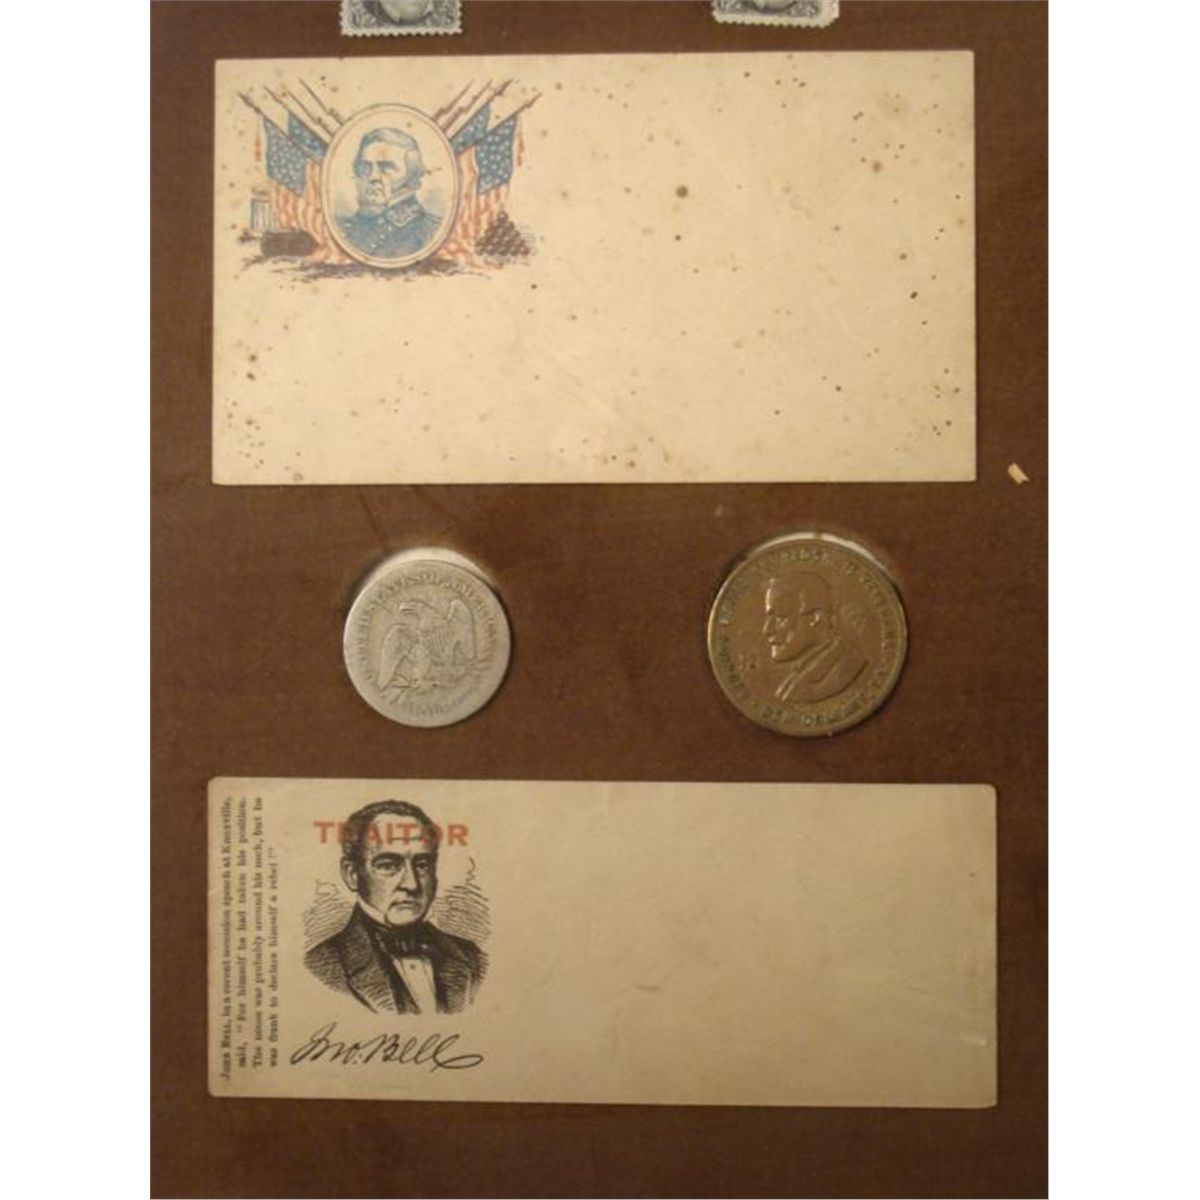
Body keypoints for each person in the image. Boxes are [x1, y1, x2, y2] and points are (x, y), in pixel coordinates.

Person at [305, 800, 486, 1014]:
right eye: (388, 865)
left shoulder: (474, 959)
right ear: (352, 875)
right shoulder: (320, 966)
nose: (412, 884)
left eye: (422, 865)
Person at [761, 572, 868, 704]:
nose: (767, 630)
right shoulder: (805, 670)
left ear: (815, 618)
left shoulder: (848, 666)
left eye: (780, 618)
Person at [338, 128, 441, 260]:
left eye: (386, 167)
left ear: (411, 175)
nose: (373, 177)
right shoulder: (343, 230)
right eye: (365, 167)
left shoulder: (430, 233)